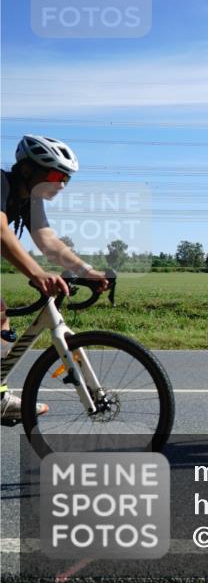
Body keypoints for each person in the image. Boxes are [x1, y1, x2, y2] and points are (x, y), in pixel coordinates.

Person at [1, 134, 110, 423]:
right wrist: (36, 273)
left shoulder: (30, 199)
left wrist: (85, 271)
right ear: (27, 169)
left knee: (0, 319)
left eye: (66, 179)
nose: (60, 184)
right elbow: (1, 232)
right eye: (54, 174)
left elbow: (47, 240)